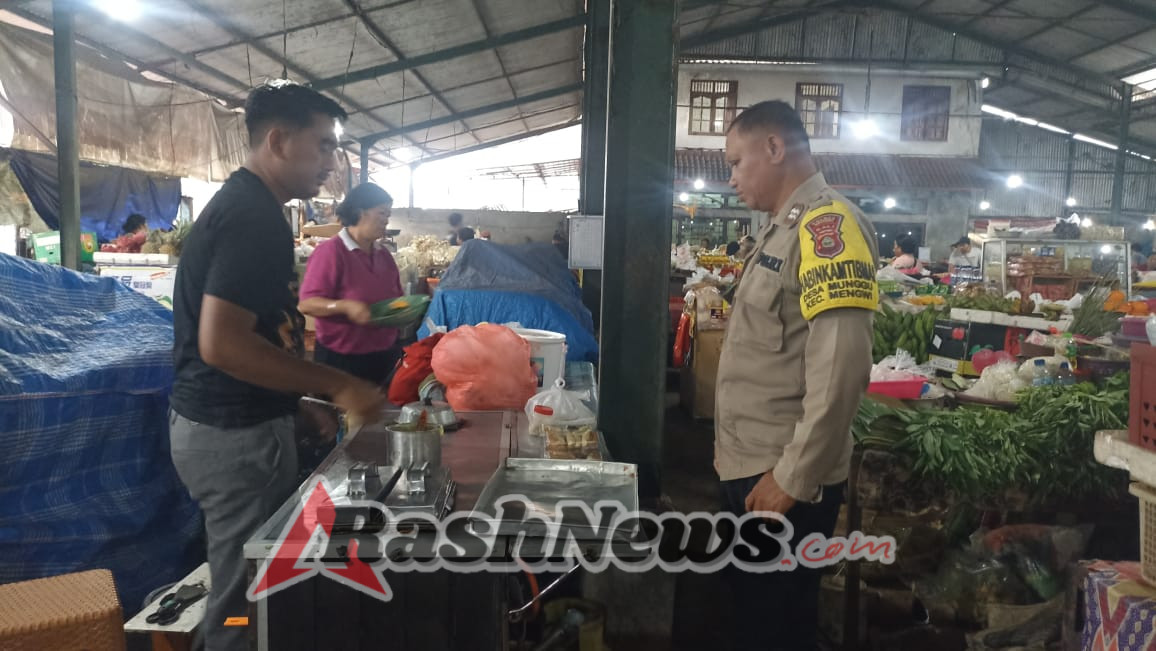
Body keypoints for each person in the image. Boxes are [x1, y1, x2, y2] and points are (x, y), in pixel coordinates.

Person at [168, 80, 386, 651]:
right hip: (232, 437)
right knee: (245, 602)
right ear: (279, 140)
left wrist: (293, 402)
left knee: (253, 585)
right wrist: (339, 385)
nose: (332, 163)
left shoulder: (247, 206)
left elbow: (251, 335)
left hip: (233, 424)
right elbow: (222, 345)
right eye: (323, 146)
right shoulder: (254, 219)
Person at [716, 99, 878, 651]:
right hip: (753, 464)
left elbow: (842, 364)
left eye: (736, 162)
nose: (731, 177)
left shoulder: (827, 227)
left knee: (774, 625)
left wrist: (794, 475)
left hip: (782, 474)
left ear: (774, 147)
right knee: (755, 615)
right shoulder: (780, 229)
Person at [298, 182, 405, 386]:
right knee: (344, 417)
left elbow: (397, 300)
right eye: (382, 213)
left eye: (388, 214)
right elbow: (307, 303)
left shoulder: (384, 255)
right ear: (360, 212)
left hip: (384, 355)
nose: (387, 220)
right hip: (342, 361)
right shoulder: (331, 252)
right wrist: (344, 306)